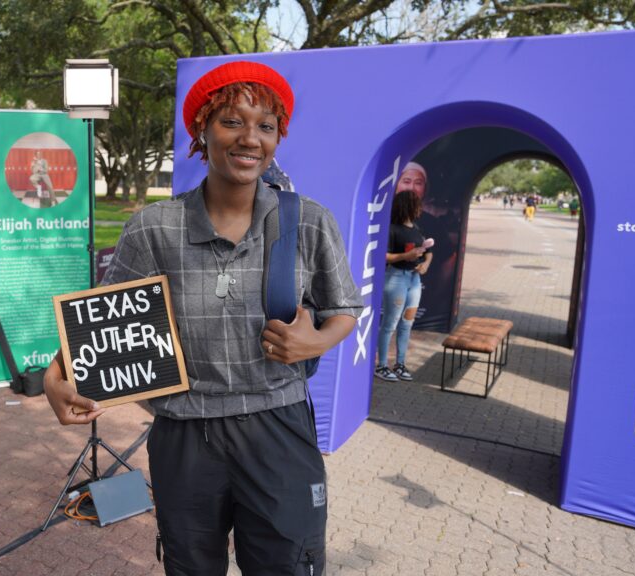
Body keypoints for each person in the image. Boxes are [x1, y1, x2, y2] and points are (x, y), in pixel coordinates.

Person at [42, 61, 363, 575]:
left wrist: (316, 342)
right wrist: (53, 378)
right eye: (232, 121)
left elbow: (344, 308)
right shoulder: (154, 229)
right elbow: (100, 321)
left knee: (289, 564)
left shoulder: (308, 222)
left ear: (278, 136)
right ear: (201, 130)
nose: (250, 139)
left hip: (277, 424)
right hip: (185, 434)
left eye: (265, 126)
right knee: (190, 566)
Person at [374, 189, 432, 382]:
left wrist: (425, 264)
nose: (420, 208)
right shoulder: (391, 229)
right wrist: (406, 256)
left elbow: (429, 251)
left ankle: (400, 364)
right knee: (389, 324)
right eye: (417, 204)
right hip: (396, 278)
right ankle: (382, 365)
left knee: (407, 324)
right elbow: (384, 256)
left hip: (414, 280)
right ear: (408, 206)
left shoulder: (417, 229)